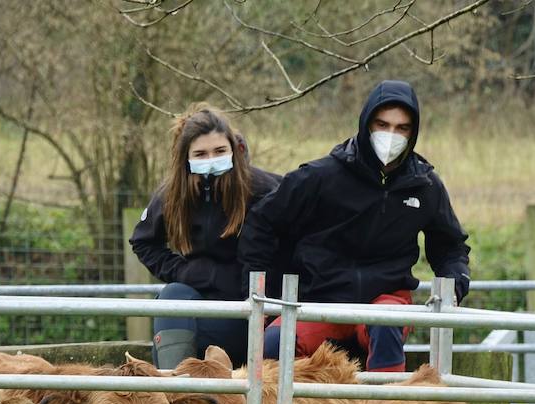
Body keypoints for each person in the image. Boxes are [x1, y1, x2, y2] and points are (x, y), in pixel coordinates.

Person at [238, 79, 470, 372]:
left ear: (413, 133)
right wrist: (262, 294)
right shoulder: (320, 177)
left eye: (402, 129)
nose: (391, 135)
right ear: (366, 124)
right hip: (319, 299)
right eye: (382, 125)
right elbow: (262, 222)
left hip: (386, 298)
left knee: (386, 326)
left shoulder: (425, 186)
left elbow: (450, 246)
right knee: (273, 344)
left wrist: (456, 281)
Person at [131, 104, 280, 369]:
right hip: (202, 302)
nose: (211, 159)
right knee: (173, 297)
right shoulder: (173, 194)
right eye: (200, 154)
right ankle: (176, 393)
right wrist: (185, 271)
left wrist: (264, 298)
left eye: (219, 151)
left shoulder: (262, 189)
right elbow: (143, 241)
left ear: (233, 150)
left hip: (254, 310)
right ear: (185, 158)